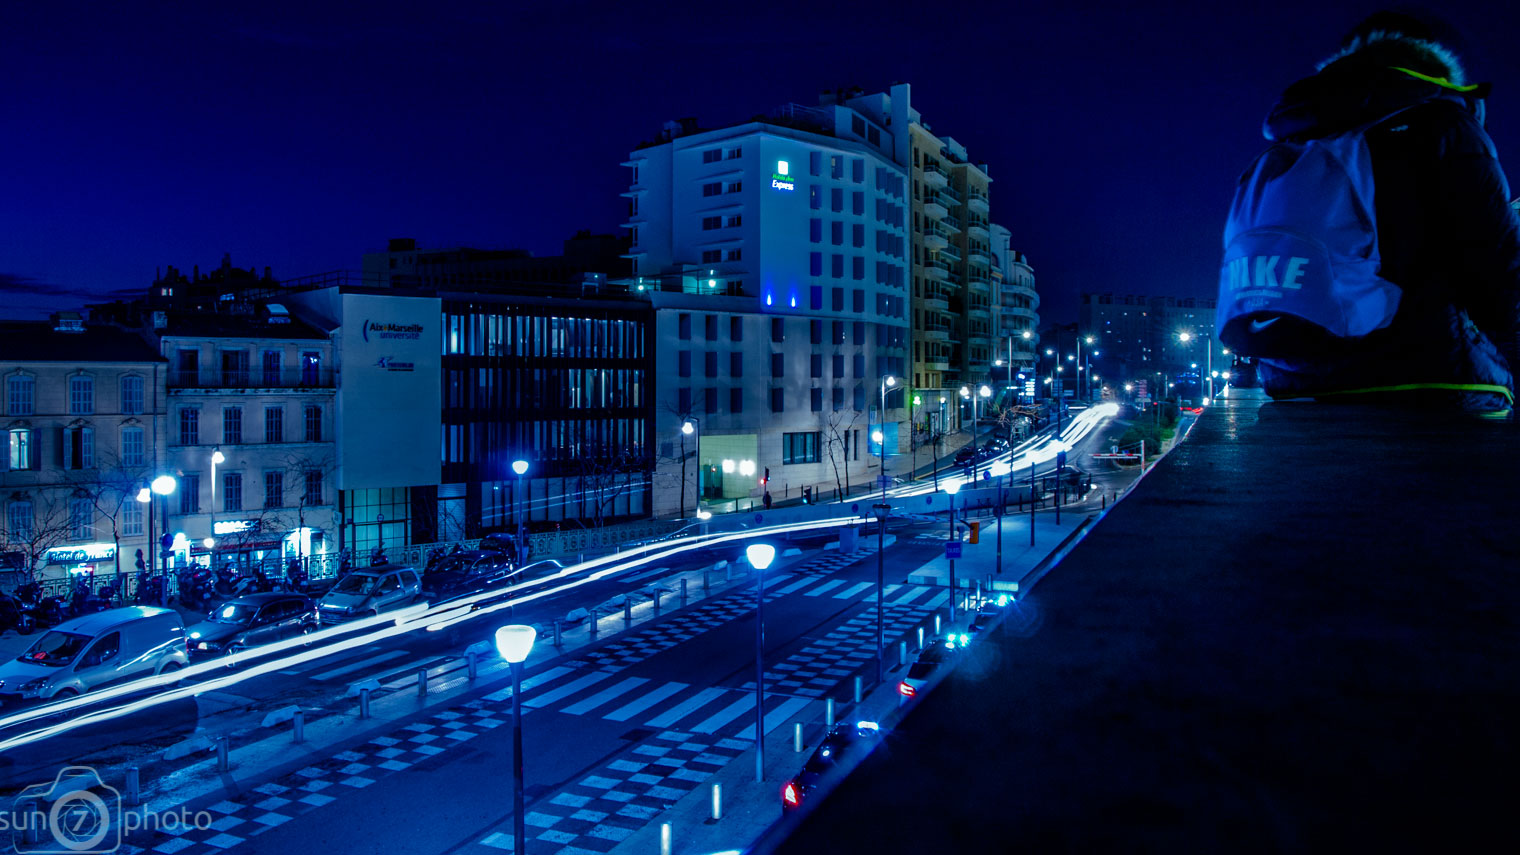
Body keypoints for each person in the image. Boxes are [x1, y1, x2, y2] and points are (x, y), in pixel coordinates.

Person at [1247, 12, 1520, 416]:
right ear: (1440, 68)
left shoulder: (1294, 147)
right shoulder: (1444, 125)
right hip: (1426, 379)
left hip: (1293, 382)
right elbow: (1498, 271)